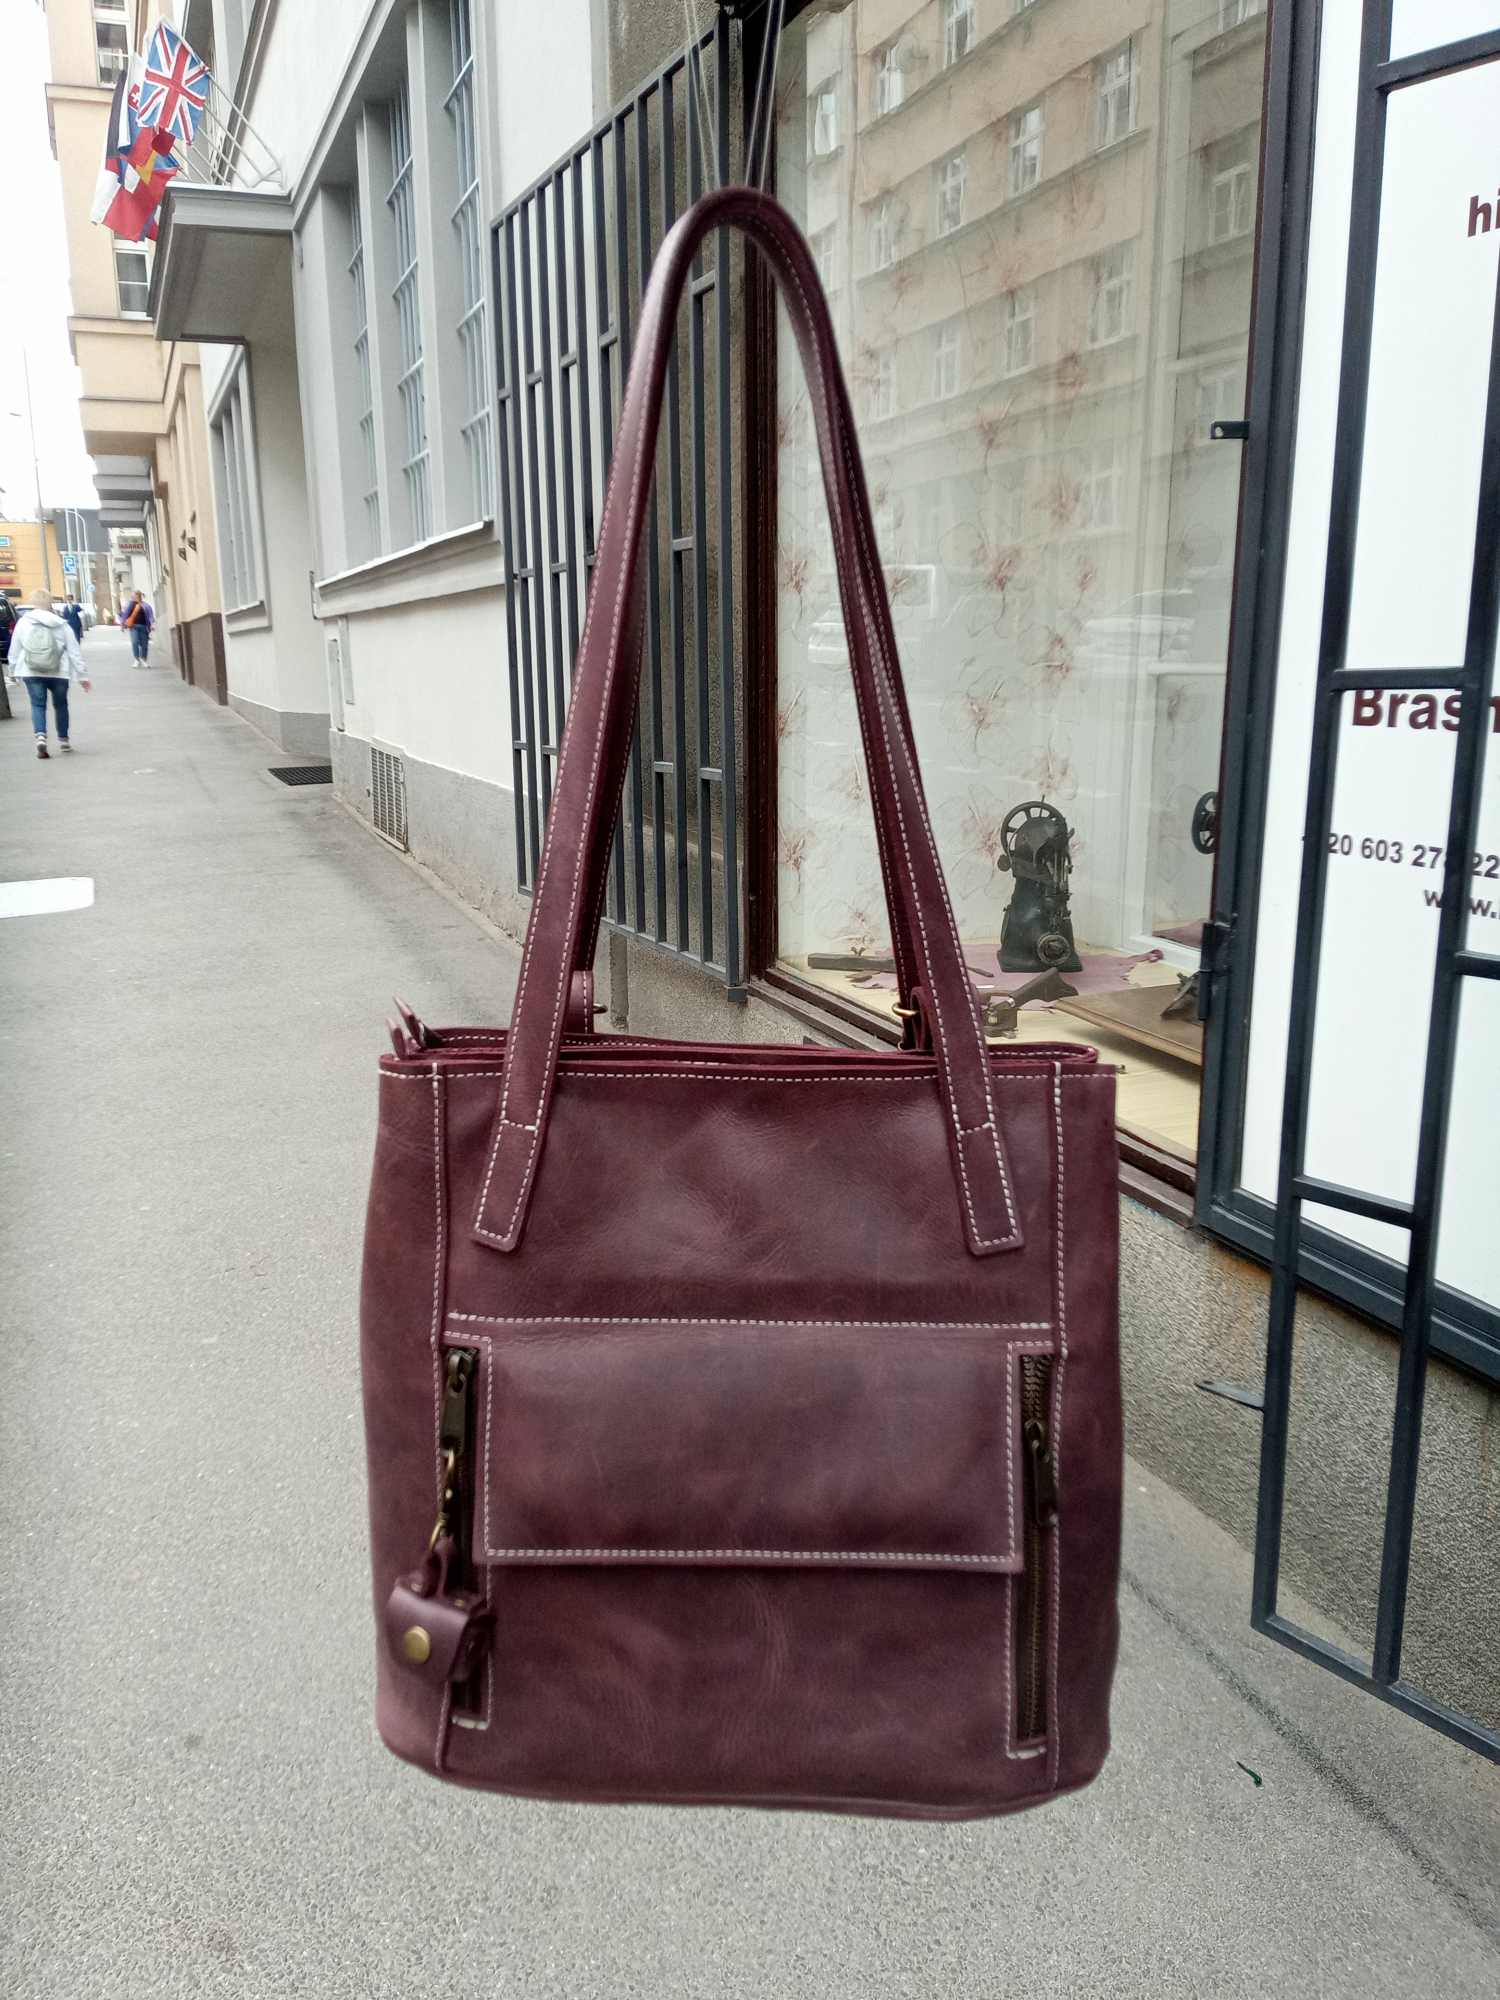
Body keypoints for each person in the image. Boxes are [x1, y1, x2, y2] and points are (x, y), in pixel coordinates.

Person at [7, 586, 90, 758]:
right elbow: (74, 652)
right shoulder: (61, 624)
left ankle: (41, 737)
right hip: (58, 671)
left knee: (37, 704)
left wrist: (12, 671)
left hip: (31, 670)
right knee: (60, 705)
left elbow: (14, 649)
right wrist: (82, 676)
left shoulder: (23, 622)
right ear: (49, 602)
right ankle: (64, 741)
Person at [121, 589, 153, 666]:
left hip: (144, 626)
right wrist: (123, 624)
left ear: (138, 596)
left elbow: (150, 615)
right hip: (133, 626)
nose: (132, 597)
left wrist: (152, 624)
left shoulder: (145, 606)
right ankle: (136, 659)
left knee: (144, 643)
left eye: (133, 596)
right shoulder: (130, 605)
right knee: (134, 642)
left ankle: (143, 659)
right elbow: (125, 614)